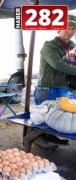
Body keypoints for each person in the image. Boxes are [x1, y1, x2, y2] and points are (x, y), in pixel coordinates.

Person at [33, 15, 76, 149]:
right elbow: (59, 65)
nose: (70, 31)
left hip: (63, 86)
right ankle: (38, 138)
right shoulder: (49, 46)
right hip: (47, 87)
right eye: (67, 28)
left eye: (73, 29)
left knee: (57, 113)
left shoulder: (72, 46)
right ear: (58, 29)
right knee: (42, 114)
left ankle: (51, 136)